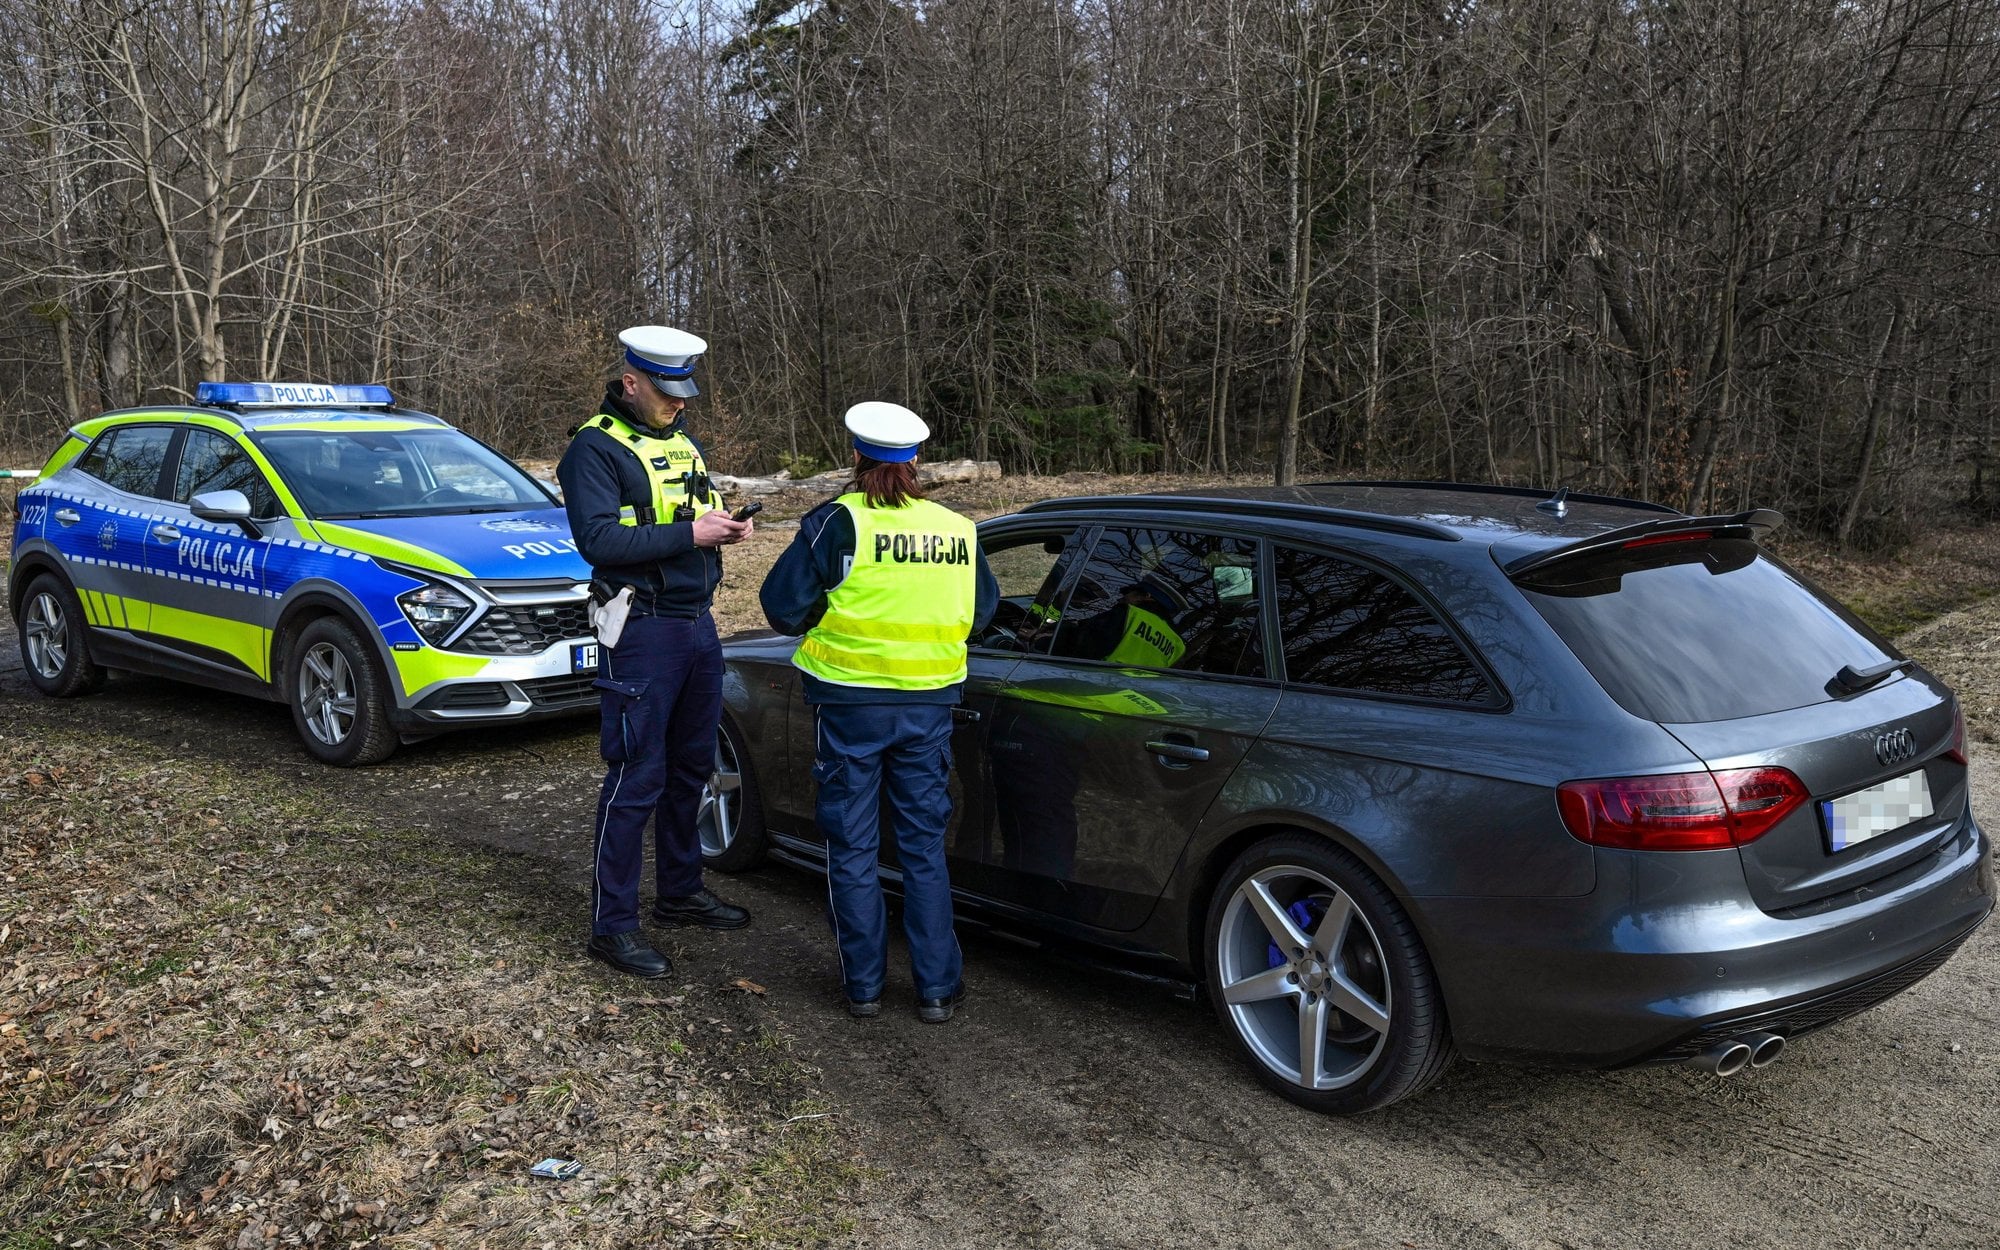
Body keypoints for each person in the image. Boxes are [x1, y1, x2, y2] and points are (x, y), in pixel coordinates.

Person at [758, 402, 997, 1022]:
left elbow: (782, 609)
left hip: (849, 709)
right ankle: (937, 988)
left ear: (857, 458)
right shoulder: (958, 529)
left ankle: (863, 986)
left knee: (853, 848)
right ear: (916, 461)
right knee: (922, 848)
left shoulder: (834, 522)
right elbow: (985, 612)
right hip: (928, 708)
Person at [557, 324, 754, 980]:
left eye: (685, 391)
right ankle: (612, 927)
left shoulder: (682, 441)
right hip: (638, 628)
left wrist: (725, 528)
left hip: (696, 624)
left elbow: (696, 517)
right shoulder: (593, 449)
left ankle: (680, 893)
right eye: (667, 392)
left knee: (691, 766)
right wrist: (689, 534)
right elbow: (599, 542)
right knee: (636, 775)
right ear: (631, 381)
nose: (680, 402)